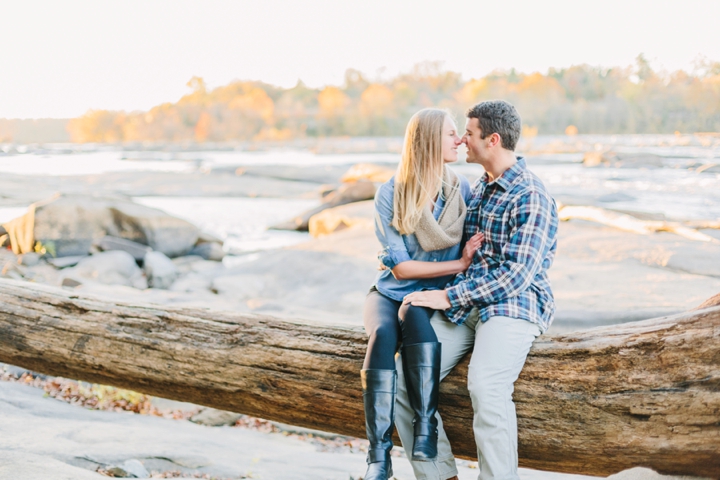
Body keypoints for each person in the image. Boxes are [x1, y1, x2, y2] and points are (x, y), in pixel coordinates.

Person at [399, 100, 559, 480]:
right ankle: (440, 475)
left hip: (513, 306)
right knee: (405, 382)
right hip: (470, 306)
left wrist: (447, 296)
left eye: (467, 134)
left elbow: (517, 276)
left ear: (492, 139)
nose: (461, 141)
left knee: (485, 387)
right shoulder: (481, 188)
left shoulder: (530, 195)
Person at [362, 108, 484, 480]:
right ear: (430, 140)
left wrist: (464, 274)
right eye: (451, 134)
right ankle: (378, 457)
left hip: (431, 298)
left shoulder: (460, 189)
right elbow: (400, 269)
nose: (460, 140)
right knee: (382, 334)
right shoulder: (391, 193)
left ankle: (425, 429)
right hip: (390, 292)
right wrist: (458, 265)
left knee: (414, 316)